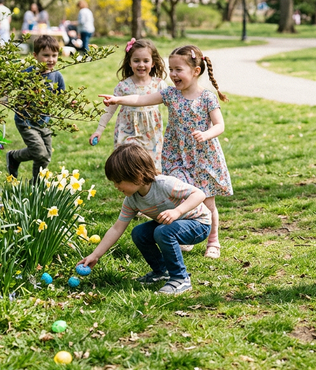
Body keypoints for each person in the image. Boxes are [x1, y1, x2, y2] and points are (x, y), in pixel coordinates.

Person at [99, 45, 232, 259]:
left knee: (207, 201)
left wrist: (206, 134)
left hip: (204, 157)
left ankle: (213, 241)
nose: (173, 74)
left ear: (195, 71)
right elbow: (141, 100)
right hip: (177, 155)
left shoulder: (207, 97)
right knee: (178, 199)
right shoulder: (170, 94)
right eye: (171, 69)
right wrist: (119, 100)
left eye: (178, 69)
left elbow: (220, 125)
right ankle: (183, 233)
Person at [76, 143, 212, 295]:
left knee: (163, 232)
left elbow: (199, 194)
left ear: (137, 175)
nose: (115, 186)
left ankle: (180, 279)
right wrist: (95, 255)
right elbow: (116, 228)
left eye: (118, 181)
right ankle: (161, 272)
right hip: (170, 226)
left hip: (199, 223)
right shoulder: (132, 200)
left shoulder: (165, 185)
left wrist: (177, 211)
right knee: (139, 232)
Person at [90, 38, 168, 171]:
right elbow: (109, 110)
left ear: (153, 63)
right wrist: (99, 130)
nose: (141, 64)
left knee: (151, 166)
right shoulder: (123, 86)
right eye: (136, 60)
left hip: (151, 133)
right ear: (130, 63)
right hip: (127, 130)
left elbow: (173, 105)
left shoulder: (159, 84)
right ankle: (130, 191)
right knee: (128, 163)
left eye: (146, 61)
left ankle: (150, 191)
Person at [7, 35, 64, 182]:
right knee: (40, 153)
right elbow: (9, 85)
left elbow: (60, 96)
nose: (51, 59)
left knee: (46, 156)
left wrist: (70, 103)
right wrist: (4, 96)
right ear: (35, 56)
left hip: (44, 122)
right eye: (46, 55)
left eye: (54, 55)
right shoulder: (28, 74)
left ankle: (36, 185)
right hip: (25, 121)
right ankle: (13, 156)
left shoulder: (57, 76)